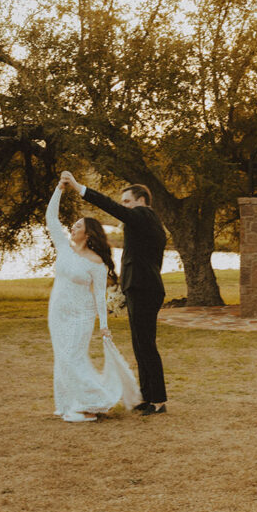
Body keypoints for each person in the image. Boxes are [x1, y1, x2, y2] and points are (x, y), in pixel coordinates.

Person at [60, 171, 168, 416]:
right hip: (140, 287)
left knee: (146, 345)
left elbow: (109, 206)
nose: (124, 207)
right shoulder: (148, 222)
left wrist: (79, 188)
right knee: (140, 344)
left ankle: (159, 399)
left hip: (144, 288)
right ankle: (147, 396)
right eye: (124, 203)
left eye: (128, 202)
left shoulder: (143, 215)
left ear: (141, 201)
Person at [45, 178, 141, 422]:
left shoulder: (96, 262)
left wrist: (104, 326)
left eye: (78, 226)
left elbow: (99, 295)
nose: (72, 229)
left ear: (88, 234)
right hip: (58, 313)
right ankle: (70, 403)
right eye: (73, 225)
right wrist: (59, 189)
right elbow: (51, 219)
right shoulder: (64, 249)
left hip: (81, 316)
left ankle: (94, 403)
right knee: (62, 358)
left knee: (71, 358)